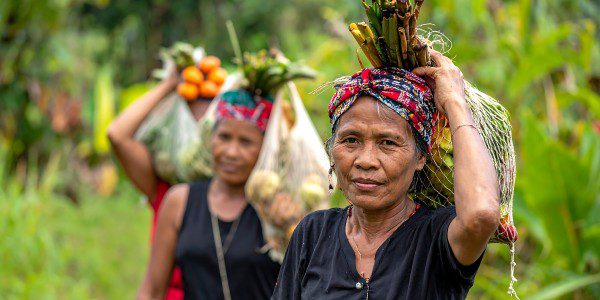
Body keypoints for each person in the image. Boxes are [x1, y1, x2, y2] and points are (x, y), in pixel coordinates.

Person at [272, 50, 500, 299]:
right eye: (350, 140)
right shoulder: (313, 234)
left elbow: (481, 215)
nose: (366, 160)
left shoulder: (436, 239)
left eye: (388, 143)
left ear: (420, 157)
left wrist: (455, 103)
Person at [136, 90, 281, 300]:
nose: (231, 152)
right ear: (210, 137)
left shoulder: (277, 207)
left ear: (265, 147)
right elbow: (152, 290)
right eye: (224, 137)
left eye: (245, 142)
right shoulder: (180, 201)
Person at [107, 66, 211, 300]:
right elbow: (117, 134)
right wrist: (168, 85)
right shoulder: (163, 189)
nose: (195, 137)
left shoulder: (239, 190)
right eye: (188, 126)